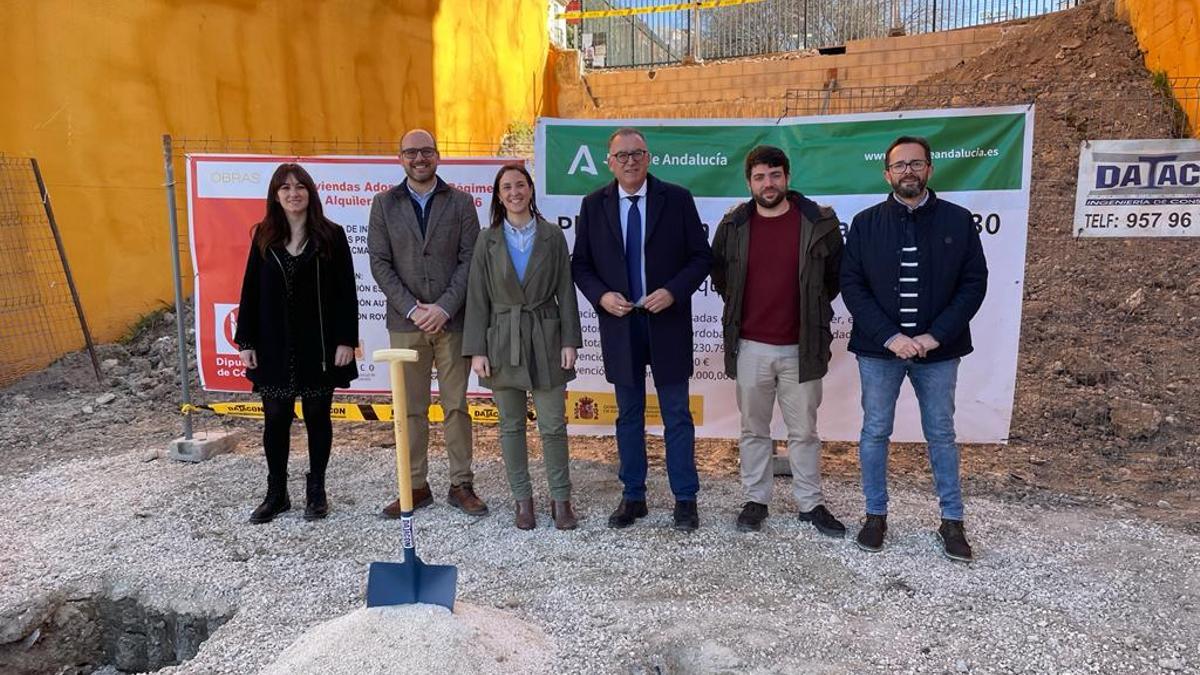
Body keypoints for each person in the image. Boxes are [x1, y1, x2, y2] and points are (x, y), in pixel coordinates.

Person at [841, 136, 988, 562]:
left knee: (941, 434)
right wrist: (891, 337)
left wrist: (933, 336)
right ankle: (874, 515)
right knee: (875, 432)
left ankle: (952, 521)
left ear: (930, 169)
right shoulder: (866, 224)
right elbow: (853, 285)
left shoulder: (959, 221)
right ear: (887, 173)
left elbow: (973, 284)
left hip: (937, 352)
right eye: (900, 165)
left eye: (916, 163)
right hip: (879, 350)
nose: (908, 170)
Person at [571, 127, 713, 532]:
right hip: (620, 326)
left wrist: (673, 291)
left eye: (638, 153)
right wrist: (601, 297)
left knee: (677, 416)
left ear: (649, 158)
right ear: (609, 162)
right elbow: (580, 263)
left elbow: (700, 257)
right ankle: (633, 495)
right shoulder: (594, 204)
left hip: (667, 323)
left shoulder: (678, 199)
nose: (630, 161)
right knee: (629, 416)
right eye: (622, 155)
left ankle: (685, 498)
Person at [711, 145, 847, 536]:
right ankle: (756, 499)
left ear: (787, 177)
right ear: (749, 182)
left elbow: (833, 277)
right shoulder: (735, 224)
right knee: (754, 429)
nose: (767, 184)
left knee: (803, 431)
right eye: (759, 177)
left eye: (774, 175)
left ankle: (810, 503)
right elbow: (721, 273)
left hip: (801, 347)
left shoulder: (817, 221)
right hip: (751, 346)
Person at [367, 129, 486, 518]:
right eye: (411, 152)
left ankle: (461, 484)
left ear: (437, 156)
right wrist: (414, 308)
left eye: (427, 151)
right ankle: (414, 486)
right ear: (400, 158)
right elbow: (379, 263)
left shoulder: (462, 203)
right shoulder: (384, 204)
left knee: (456, 407)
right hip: (406, 323)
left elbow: (471, 261)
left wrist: (444, 307)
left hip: (452, 322)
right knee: (409, 409)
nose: (419, 158)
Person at [235, 163, 359, 524]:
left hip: (318, 345)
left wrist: (345, 340)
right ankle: (277, 493)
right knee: (275, 419)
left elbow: (345, 293)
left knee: (318, 416)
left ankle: (316, 489)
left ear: (310, 192)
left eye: (300, 186)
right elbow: (250, 291)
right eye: (285, 187)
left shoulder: (331, 235)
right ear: (276, 195)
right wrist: (246, 340)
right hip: (275, 343)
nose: (293, 193)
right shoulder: (263, 237)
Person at [463, 163, 583, 530]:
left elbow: (565, 289)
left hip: (546, 333)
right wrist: (477, 349)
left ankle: (560, 499)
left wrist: (569, 340)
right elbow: (477, 297)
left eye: (520, 185)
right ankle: (522, 500)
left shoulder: (552, 235)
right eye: (506, 188)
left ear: (530, 189)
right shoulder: (488, 239)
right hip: (503, 336)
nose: (514, 192)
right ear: (498, 197)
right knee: (511, 425)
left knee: (552, 425)